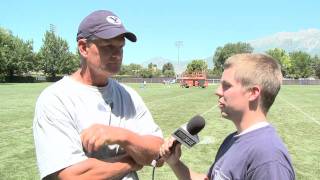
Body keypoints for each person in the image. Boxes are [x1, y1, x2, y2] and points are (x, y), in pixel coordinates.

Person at [33, 10, 164, 180]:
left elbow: (158, 153)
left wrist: (122, 136)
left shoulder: (129, 96)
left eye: (120, 47)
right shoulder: (56, 99)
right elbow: (72, 175)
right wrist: (131, 162)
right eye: (108, 46)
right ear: (83, 48)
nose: (117, 54)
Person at [160, 53, 295, 180]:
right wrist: (175, 163)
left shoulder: (269, 158)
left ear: (253, 93)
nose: (217, 91)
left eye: (226, 86)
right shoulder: (231, 139)